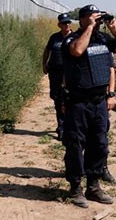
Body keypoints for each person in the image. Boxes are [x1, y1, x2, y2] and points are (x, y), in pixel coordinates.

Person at [61, 4, 116, 208]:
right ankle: (75, 188)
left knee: (99, 144)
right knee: (75, 145)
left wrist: (114, 28)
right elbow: (77, 51)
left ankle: (93, 186)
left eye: (98, 18)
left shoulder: (103, 40)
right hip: (78, 102)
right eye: (92, 17)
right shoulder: (71, 39)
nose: (97, 21)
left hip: (99, 102)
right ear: (82, 19)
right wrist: (89, 28)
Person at [42, 12, 73, 140]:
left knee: (69, 99)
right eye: (63, 23)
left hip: (70, 73)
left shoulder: (76, 37)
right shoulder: (54, 38)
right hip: (55, 72)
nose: (66, 25)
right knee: (57, 99)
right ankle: (61, 127)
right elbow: (47, 50)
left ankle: (70, 127)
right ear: (59, 24)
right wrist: (44, 63)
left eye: (68, 22)